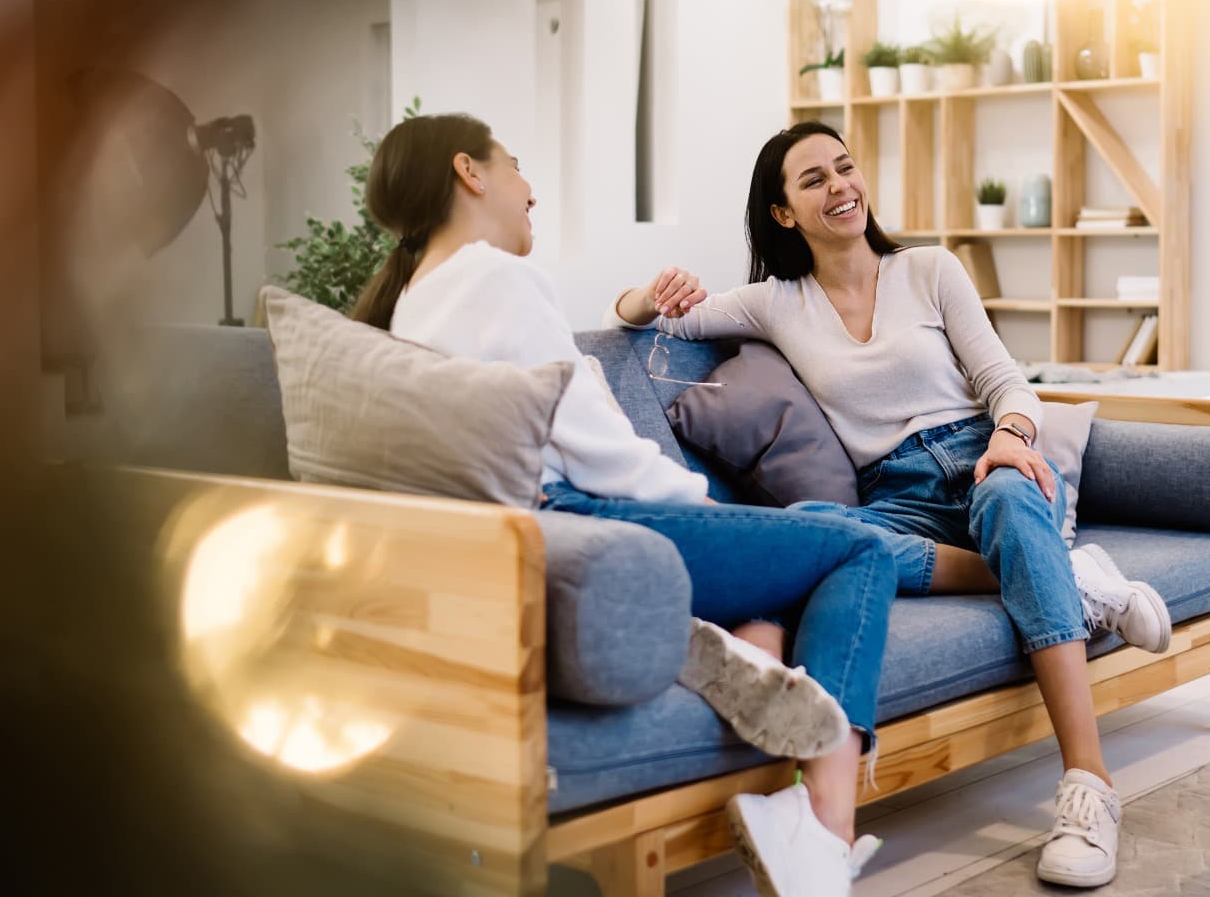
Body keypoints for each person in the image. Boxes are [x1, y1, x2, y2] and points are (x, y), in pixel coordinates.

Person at [610, 120, 1173, 889]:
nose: (841, 186)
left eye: (845, 169)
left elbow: (1008, 381)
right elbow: (642, 320)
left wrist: (1010, 436)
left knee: (1011, 507)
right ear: (783, 213)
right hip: (895, 493)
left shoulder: (930, 270)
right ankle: (1068, 577)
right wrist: (648, 292)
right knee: (810, 530)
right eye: (814, 180)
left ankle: (1089, 787)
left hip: (984, 458)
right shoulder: (776, 303)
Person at [351, 113, 892, 894]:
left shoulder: (413, 301)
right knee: (859, 547)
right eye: (516, 166)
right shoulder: (496, 275)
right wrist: (706, 508)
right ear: (470, 173)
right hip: (583, 519)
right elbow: (591, 446)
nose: (529, 190)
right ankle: (821, 831)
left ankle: (739, 655)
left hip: (536, 524)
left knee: (788, 560)